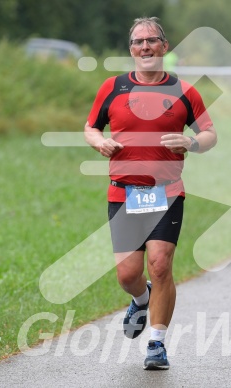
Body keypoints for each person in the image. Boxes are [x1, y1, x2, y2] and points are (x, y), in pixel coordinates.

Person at [84, 16, 217, 370]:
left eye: (152, 40)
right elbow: (90, 127)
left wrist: (191, 141)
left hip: (167, 192)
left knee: (160, 265)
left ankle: (156, 344)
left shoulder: (185, 92)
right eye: (138, 41)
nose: (145, 46)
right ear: (131, 49)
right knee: (128, 274)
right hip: (123, 193)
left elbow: (209, 133)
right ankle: (140, 300)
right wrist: (100, 142)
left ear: (164, 46)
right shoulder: (112, 87)